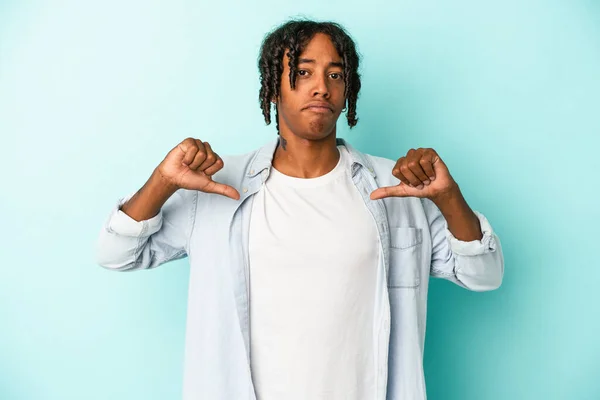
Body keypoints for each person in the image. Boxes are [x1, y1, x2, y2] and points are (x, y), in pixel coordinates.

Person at [96, 19, 504, 400]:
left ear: (348, 91)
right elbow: (116, 255)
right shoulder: (217, 184)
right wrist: (162, 182)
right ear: (274, 87)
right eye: (304, 72)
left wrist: (449, 197)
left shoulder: (396, 187)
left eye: (335, 74)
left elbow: (483, 275)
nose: (322, 87)